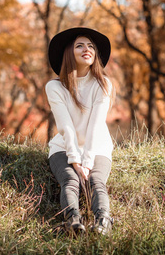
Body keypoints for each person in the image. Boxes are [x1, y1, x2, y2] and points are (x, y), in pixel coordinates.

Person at [45, 27, 114, 235]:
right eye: (80, 45)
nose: (87, 49)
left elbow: (95, 125)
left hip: (98, 146)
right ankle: (73, 221)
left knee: (95, 181)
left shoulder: (103, 84)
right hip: (63, 148)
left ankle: (103, 222)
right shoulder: (55, 87)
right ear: (69, 53)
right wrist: (75, 159)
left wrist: (88, 161)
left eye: (91, 46)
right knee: (70, 179)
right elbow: (65, 127)